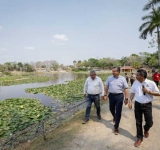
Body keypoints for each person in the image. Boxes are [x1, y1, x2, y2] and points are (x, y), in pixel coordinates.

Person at [128, 69, 160, 147]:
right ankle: (139, 138)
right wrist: (130, 101)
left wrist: (148, 91)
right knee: (138, 122)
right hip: (138, 105)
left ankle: (146, 129)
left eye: (137, 75)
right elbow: (132, 92)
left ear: (142, 76)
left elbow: (158, 93)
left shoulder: (151, 83)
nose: (136, 76)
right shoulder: (135, 83)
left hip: (147, 105)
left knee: (149, 122)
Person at [104, 67, 128, 135]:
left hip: (119, 96)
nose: (113, 72)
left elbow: (125, 89)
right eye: (112, 71)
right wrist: (105, 95)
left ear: (118, 72)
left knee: (118, 111)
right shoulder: (109, 78)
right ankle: (114, 116)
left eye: (114, 71)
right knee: (111, 108)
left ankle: (116, 127)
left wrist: (126, 98)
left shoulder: (122, 79)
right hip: (111, 95)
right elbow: (106, 86)